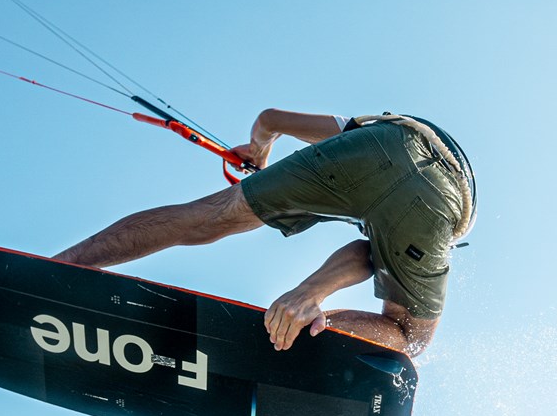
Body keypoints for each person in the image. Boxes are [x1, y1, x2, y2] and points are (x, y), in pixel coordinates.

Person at [53, 109, 475, 357]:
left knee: (208, 216)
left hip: (378, 140)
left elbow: (270, 119)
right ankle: (305, 315)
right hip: (444, 196)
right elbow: (375, 252)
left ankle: (56, 269)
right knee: (412, 337)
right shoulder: (432, 206)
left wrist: (259, 151)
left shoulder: (370, 125)